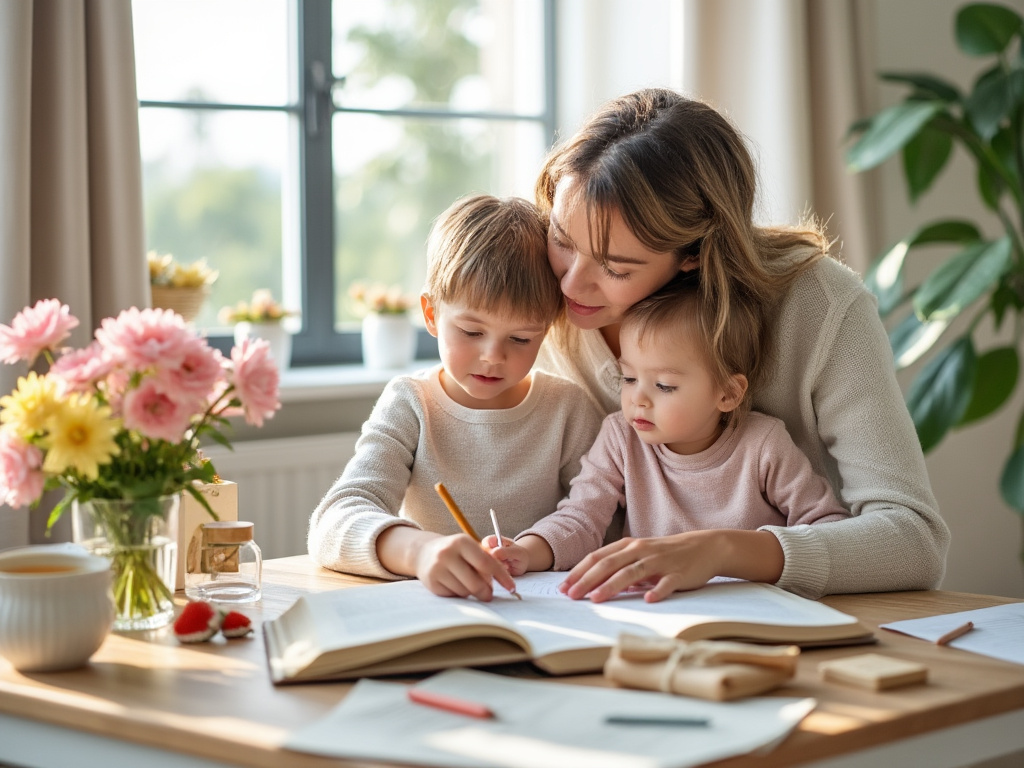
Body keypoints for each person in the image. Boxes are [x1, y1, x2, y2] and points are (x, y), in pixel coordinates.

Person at [526, 88, 949, 602]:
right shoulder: (542, 303)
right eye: (563, 240)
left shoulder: (818, 305)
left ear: (693, 255)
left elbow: (913, 540)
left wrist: (723, 552)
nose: (569, 286)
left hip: (805, 624)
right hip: (630, 619)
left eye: (616, 267)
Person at [307, 194, 603, 601]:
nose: (493, 357)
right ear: (431, 315)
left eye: (520, 338)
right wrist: (420, 551)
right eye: (471, 332)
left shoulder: (569, 410)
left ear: (547, 331)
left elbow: (597, 520)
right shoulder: (410, 403)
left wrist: (532, 551)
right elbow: (335, 520)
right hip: (437, 614)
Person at [490, 277, 851, 600]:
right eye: (628, 379)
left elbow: (826, 529)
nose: (638, 399)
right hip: (657, 609)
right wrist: (526, 549)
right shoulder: (620, 437)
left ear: (727, 393)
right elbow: (581, 518)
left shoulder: (763, 444)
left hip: (753, 609)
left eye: (664, 385)